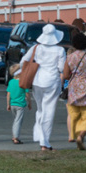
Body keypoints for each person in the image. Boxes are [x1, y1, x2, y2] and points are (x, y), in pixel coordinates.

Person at [21, 23, 67, 151]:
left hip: (37, 80)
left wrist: (19, 72)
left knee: (40, 109)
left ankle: (39, 134)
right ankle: (44, 141)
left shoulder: (36, 48)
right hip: (52, 81)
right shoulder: (60, 50)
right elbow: (61, 68)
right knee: (49, 111)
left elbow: (24, 61)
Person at [6, 64, 31, 144]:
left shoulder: (11, 82)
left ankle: (14, 136)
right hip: (20, 104)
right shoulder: (23, 82)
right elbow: (27, 94)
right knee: (18, 121)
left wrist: (8, 104)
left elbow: (8, 94)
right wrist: (29, 103)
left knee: (15, 120)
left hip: (12, 104)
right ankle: (16, 137)